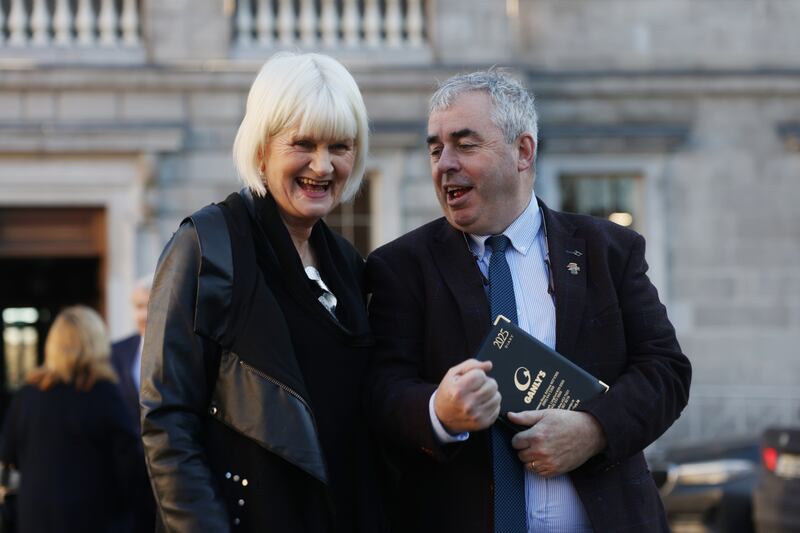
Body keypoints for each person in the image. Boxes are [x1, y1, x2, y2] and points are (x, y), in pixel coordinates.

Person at [366, 70, 692, 532]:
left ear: (522, 151)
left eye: (465, 144)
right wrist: (439, 411)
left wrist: (594, 430)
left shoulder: (607, 250)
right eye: (436, 148)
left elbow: (666, 371)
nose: (445, 164)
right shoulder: (400, 267)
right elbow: (382, 390)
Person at [140, 52, 384, 532]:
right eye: (302, 143)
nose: (323, 164)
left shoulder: (350, 266)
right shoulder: (206, 245)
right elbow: (167, 422)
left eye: (340, 145)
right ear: (260, 149)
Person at [0, 305, 139, 533]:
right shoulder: (104, 393)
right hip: (94, 519)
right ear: (97, 343)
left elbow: (8, 456)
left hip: (36, 518)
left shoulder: (28, 394)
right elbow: (129, 464)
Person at [111, 275, 156, 533]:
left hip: (170, 466)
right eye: (138, 306)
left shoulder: (183, 349)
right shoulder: (116, 352)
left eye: (150, 305)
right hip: (128, 473)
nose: (144, 314)